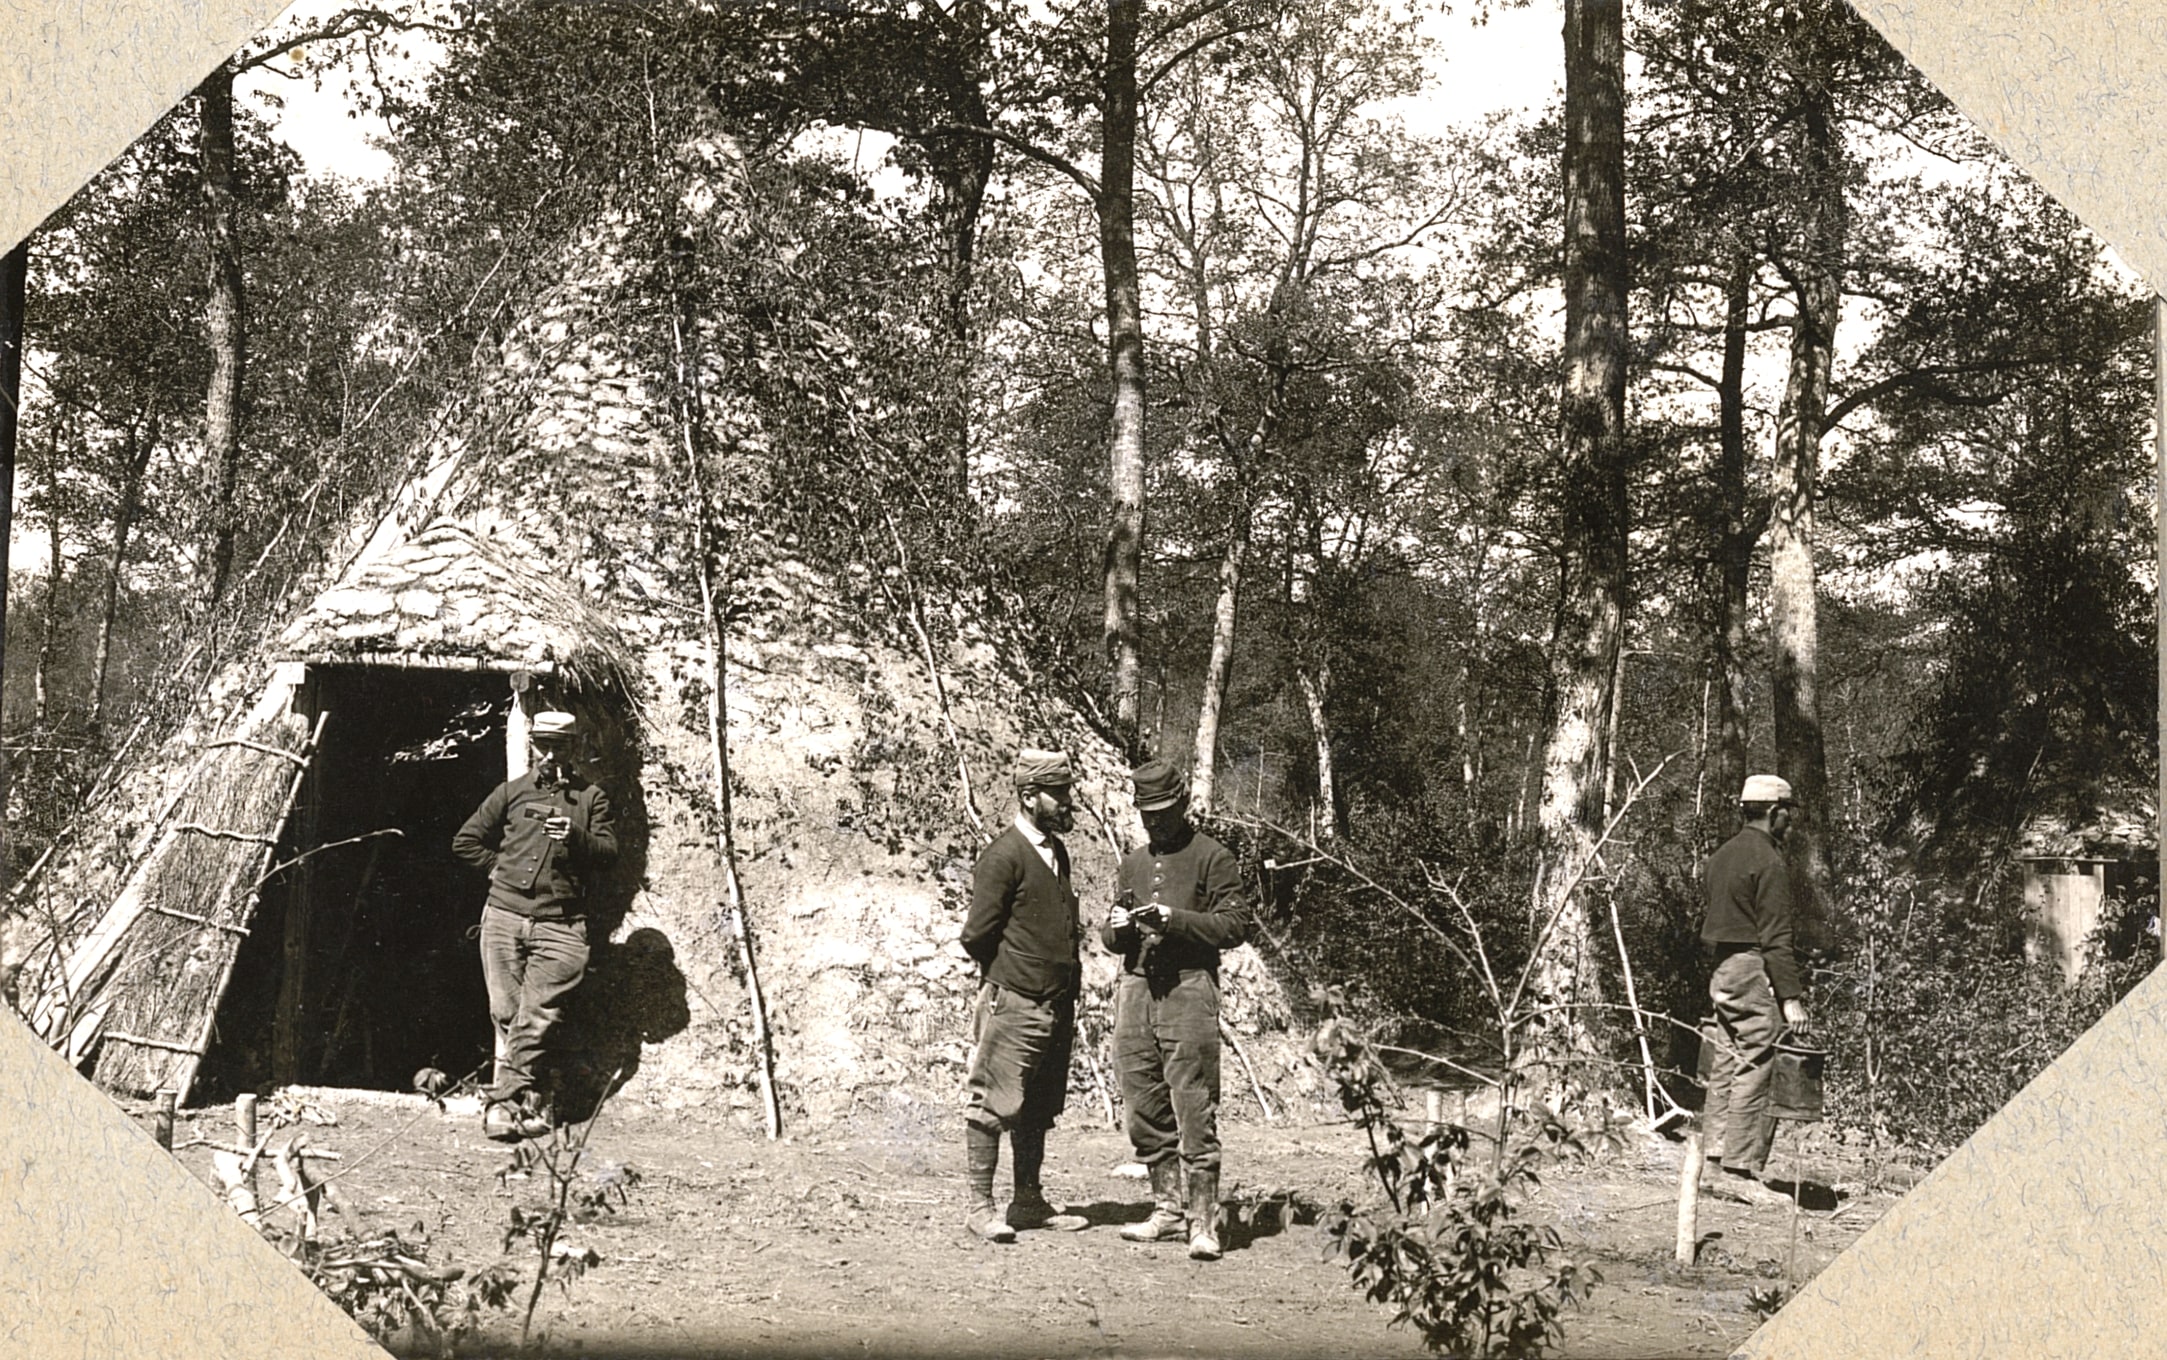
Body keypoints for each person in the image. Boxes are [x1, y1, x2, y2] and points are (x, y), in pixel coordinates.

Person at [1102, 758, 1251, 1261]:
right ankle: (1167, 1209)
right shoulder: (1133, 862)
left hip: (1189, 988)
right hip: (1137, 988)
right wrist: (1120, 928)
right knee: (1143, 1102)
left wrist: (1175, 920)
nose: (1154, 823)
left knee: (1193, 1103)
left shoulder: (1214, 857)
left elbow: (1234, 925)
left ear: (1183, 804)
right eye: (1146, 814)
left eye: (1163, 812)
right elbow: (1109, 936)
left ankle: (1203, 1220)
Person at [452, 710, 617, 1141]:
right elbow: (465, 841)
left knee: (536, 1016)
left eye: (558, 746)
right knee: (506, 1012)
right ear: (533, 746)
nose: (549, 754)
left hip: (560, 926)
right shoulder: (511, 793)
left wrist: (575, 836)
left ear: (573, 748)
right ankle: (537, 1098)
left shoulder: (591, 798)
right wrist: (498, 870)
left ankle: (502, 1102)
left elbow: (608, 854)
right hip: (504, 917)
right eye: (543, 745)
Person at [958, 749, 1091, 1242]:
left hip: (1055, 1005)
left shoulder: (1057, 852)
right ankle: (980, 1208)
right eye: (1058, 794)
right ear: (1029, 796)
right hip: (1015, 1001)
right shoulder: (1003, 856)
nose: (1066, 802)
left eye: (1067, 791)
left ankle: (1028, 1201)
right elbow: (977, 935)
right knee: (992, 1103)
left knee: (1036, 1107)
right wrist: (1012, 978)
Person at [1701, 773, 1811, 1202]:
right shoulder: (1769, 861)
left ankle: (1713, 1161)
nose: (1791, 823)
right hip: (1750, 966)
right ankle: (1740, 1169)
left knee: (1727, 1060)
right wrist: (1790, 998)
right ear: (1774, 812)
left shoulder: (1722, 855)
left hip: (1721, 968)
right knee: (1758, 1058)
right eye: (1788, 814)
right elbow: (1776, 936)